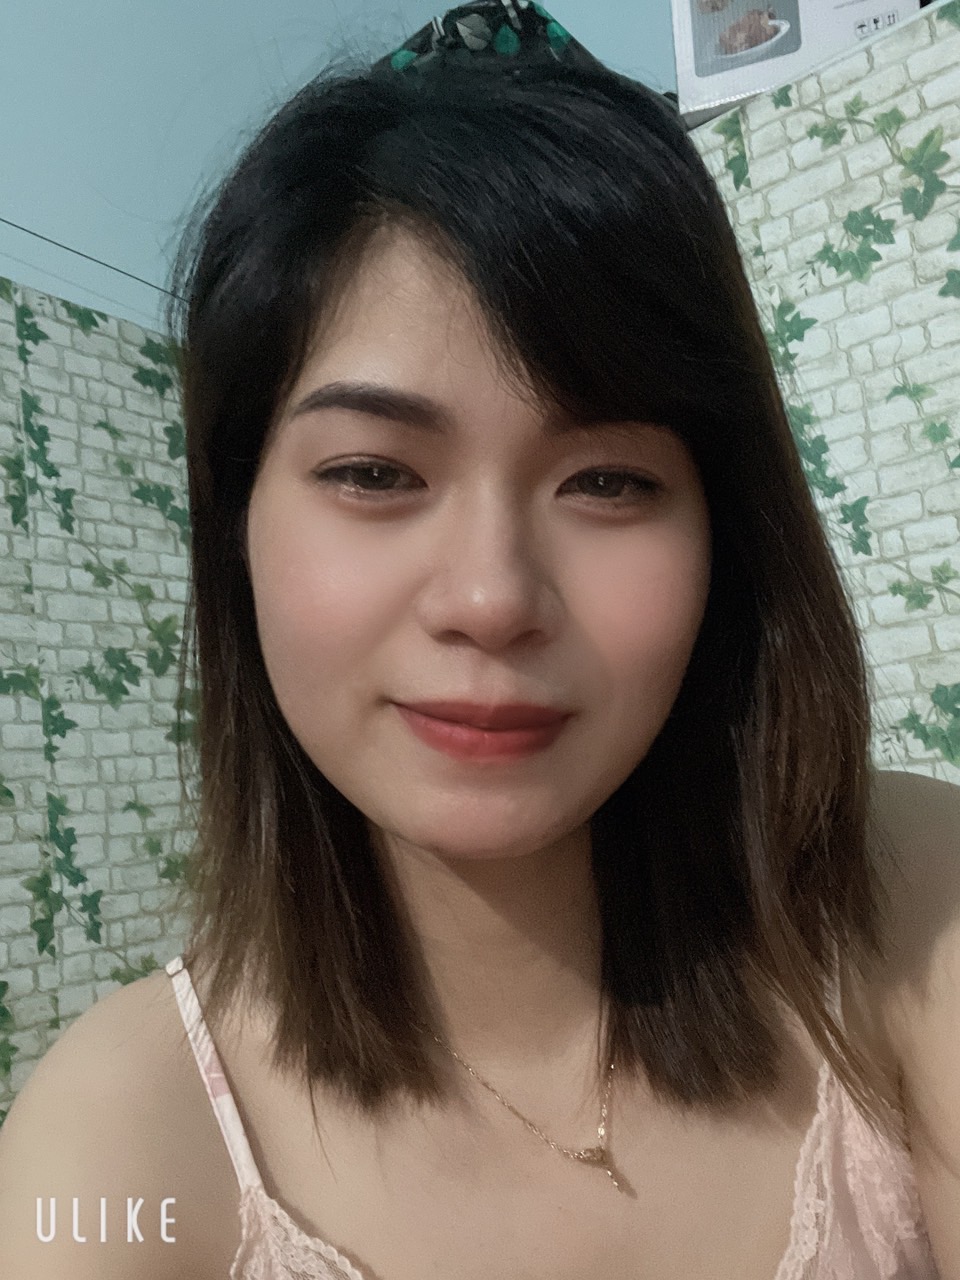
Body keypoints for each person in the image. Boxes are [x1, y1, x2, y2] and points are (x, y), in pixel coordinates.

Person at [1, 2, 958, 1276]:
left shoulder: (911, 901)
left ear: (724, 535)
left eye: (608, 480)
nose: (493, 598)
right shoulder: (116, 1147)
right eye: (374, 473)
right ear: (236, 530)